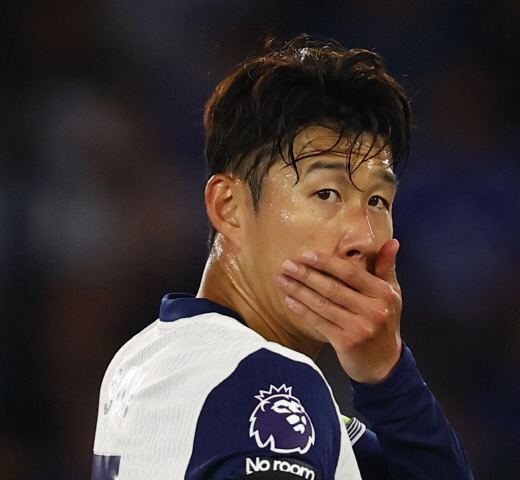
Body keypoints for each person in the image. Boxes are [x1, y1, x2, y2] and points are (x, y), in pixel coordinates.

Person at [92, 35, 473, 480]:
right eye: (326, 193)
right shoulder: (269, 384)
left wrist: (388, 376)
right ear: (228, 207)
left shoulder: (143, 359)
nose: (365, 239)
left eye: (377, 201)